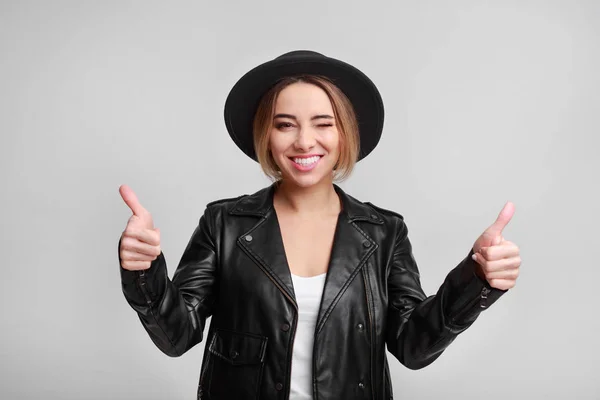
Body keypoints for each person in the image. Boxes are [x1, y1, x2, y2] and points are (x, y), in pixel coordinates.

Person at [117, 50, 521, 400]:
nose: (305, 141)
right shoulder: (223, 224)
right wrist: (143, 271)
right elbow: (177, 335)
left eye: (324, 123)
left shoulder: (384, 233)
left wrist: (477, 279)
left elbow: (413, 347)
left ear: (345, 134)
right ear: (266, 136)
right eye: (285, 124)